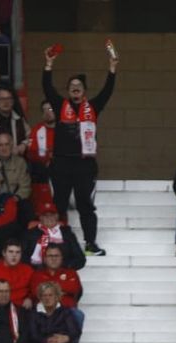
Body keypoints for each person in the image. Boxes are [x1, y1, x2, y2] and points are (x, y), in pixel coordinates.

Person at [41, 46, 117, 257]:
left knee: (86, 206)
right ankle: (56, 244)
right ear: (68, 90)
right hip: (61, 164)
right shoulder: (59, 105)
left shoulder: (93, 106)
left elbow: (107, 91)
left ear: (84, 91)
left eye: (79, 86)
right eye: (72, 86)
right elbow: (47, 88)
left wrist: (112, 68)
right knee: (59, 205)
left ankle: (90, 244)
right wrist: (48, 64)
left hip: (84, 164)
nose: (75, 88)